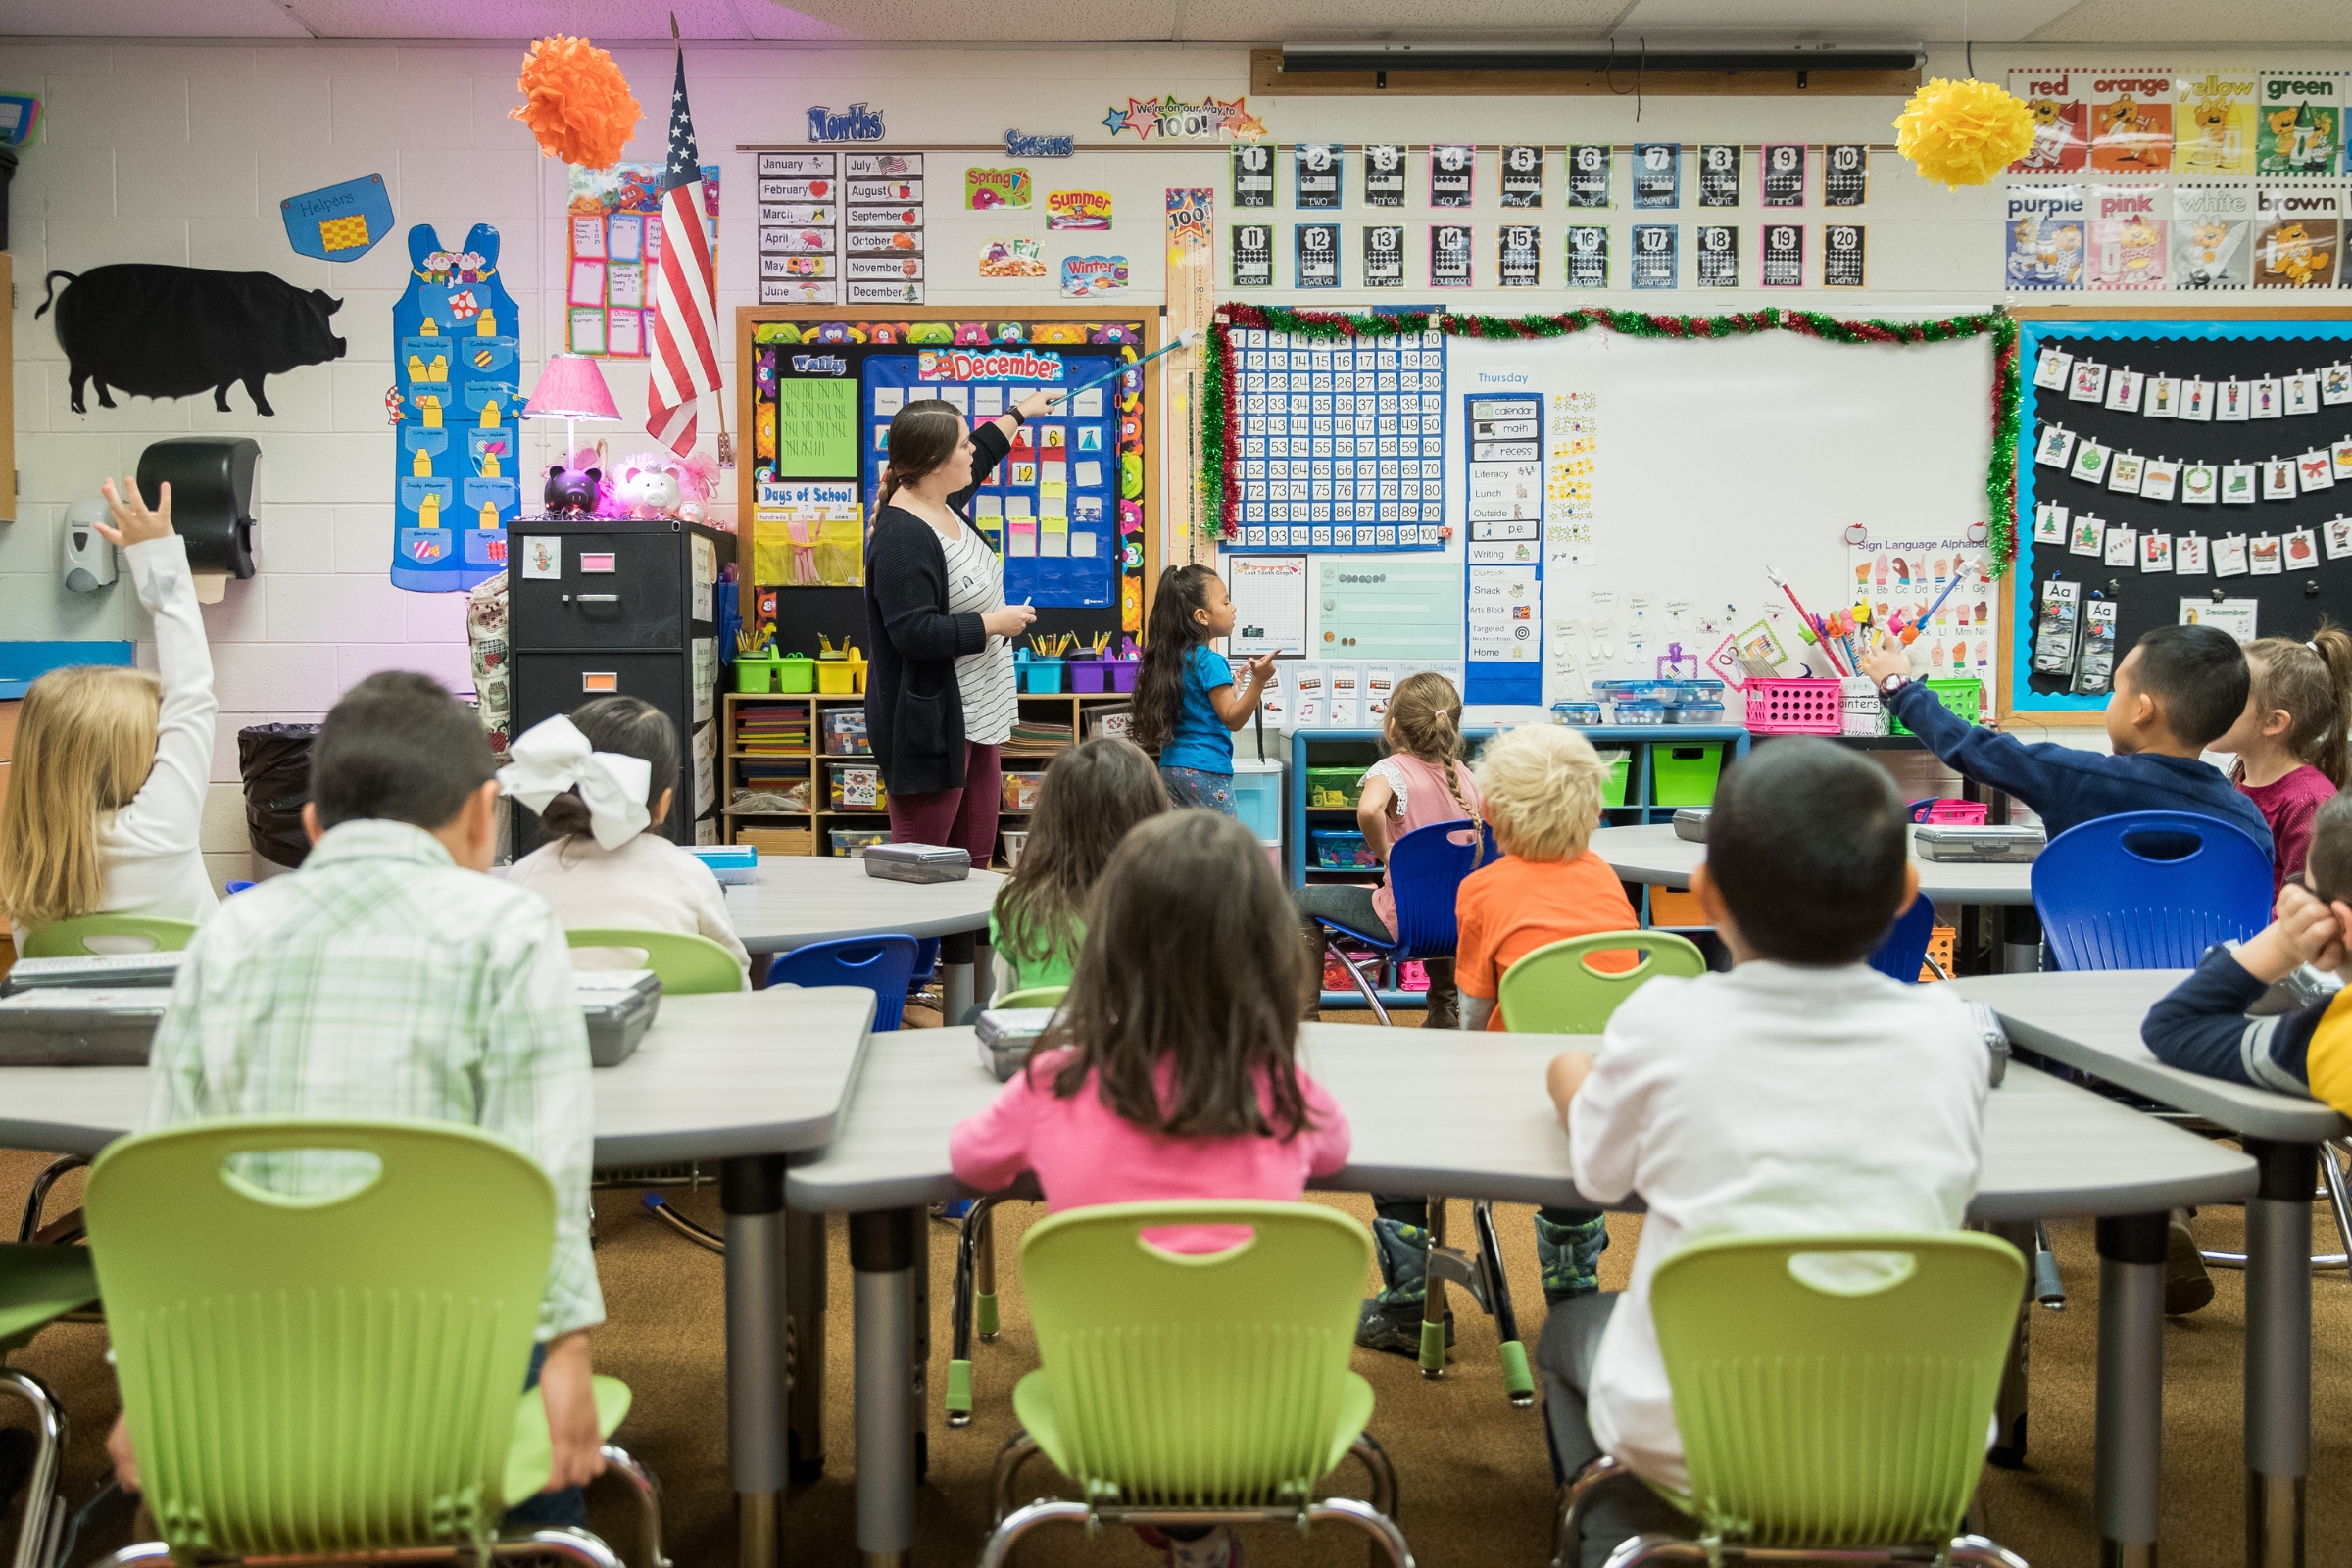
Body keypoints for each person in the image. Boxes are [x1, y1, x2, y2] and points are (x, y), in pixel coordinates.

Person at [114, 672, 607, 1524]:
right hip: (458, 1359)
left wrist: (150, 1375)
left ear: (310, 826)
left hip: (245, 1367)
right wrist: (564, 1344)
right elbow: (544, 1161)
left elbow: (168, 1172)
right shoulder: (510, 931)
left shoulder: (230, 933)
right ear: (486, 815)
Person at [1540, 738, 1989, 1568]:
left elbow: (1600, 1175)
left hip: (1700, 1429)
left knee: (1568, 1330)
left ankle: (1619, 1538)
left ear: (1704, 893)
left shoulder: (1665, 1020)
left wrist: (1571, 1077)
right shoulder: (1950, 1033)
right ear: (1906, 896)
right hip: (1914, 1438)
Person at [951, 809, 1349, 1568]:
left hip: (1107, 1405)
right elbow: (1336, 1153)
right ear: (1267, 953)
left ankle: (1178, 1521)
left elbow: (970, 1163)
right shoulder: (1283, 1088)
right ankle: (1197, 1532)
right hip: (1272, 1403)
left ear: (1107, 945)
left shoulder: (1054, 1079)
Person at [1359, 724, 1637, 1355]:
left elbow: (1473, 1020)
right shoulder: (1606, 880)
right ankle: (1573, 1284)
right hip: (1596, 1099)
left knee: (1392, 1129)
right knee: (1566, 1136)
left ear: (1487, 809)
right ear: (1594, 810)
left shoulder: (1482, 889)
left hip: (1507, 1100)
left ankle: (1405, 1304)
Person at [1, 476, 218, 948]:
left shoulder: (28, 864)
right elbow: (192, 689)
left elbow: (192, 697)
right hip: (184, 1020)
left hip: (70, 1025)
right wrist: (157, 557)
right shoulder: (162, 831)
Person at [1861, 622, 2272, 855]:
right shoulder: (2248, 823)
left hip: (2082, 982)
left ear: (2142, 710)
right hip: (2196, 996)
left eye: (2117, 690)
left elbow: (1972, 748)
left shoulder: (2080, 779)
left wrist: (1900, 687)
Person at [863, 393, 1051, 865]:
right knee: (922, 867)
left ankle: (967, 945)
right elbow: (914, 634)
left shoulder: (941, 502)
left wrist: (1020, 413)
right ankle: (919, 946)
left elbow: (984, 453)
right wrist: (992, 624)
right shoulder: (901, 536)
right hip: (933, 728)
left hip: (977, 718)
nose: (972, 451)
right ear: (932, 461)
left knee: (975, 863)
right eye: (962, 444)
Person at [503, 698, 752, 982]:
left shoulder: (523, 878)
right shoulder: (690, 876)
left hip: (557, 1025)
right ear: (663, 804)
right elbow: (734, 977)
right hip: (677, 1025)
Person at [1292, 671, 1485, 1030]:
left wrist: (1386, 851)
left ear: (1393, 727)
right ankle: (1443, 1010)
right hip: (1459, 923)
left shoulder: (1392, 770)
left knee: (1301, 901)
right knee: (1437, 894)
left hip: (1401, 921)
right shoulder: (1463, 775)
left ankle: (1305, 1020)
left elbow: (1367, 810)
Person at [2143, 791, 2352, 1111]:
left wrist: (2285, 943)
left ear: (2339, 922)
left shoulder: (2336, 1039)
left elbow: (2174, 1025)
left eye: (2306, 892)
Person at [988, 737, 1166, 996]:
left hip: (1042, 1035)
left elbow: (1006, 1006)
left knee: (973, 1014)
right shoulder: (1170, 906)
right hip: (1130, 1035)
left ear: (1048, 818)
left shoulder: (1016, 902)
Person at [2211, 629, 2352, 894]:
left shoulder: (2309, 801)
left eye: (2230, 696)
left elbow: (2303, 905)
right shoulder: (2239, 779)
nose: (2209, 704)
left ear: (2274, 722)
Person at [1130, 565, 1275, 815]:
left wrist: (1234, 691)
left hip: (1172, 767)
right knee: (1221, 846)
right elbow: (1233, 720)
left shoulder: (1173, 659)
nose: (1233, 608)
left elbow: (1204, 710)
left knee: (1184, 845)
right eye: (1226, 601)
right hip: (1206, 768)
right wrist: (1259, 681)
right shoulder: (1210, 661)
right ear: (1201, 616)